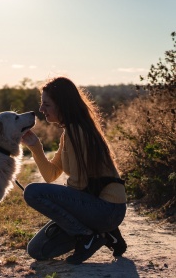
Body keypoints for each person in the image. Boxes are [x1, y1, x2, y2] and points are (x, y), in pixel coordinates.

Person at [22, 76, 127, 265]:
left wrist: (63, 210)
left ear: (62, 104)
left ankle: (88, 235)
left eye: (46, 104)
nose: (41, 109)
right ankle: (106, 233)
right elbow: (51, 174)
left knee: (32, 192)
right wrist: (36, 147)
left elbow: (79, 185)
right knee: (37, 250)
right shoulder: (68, 133)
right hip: (96, 210)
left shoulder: (78, 132)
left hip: (108, 209)